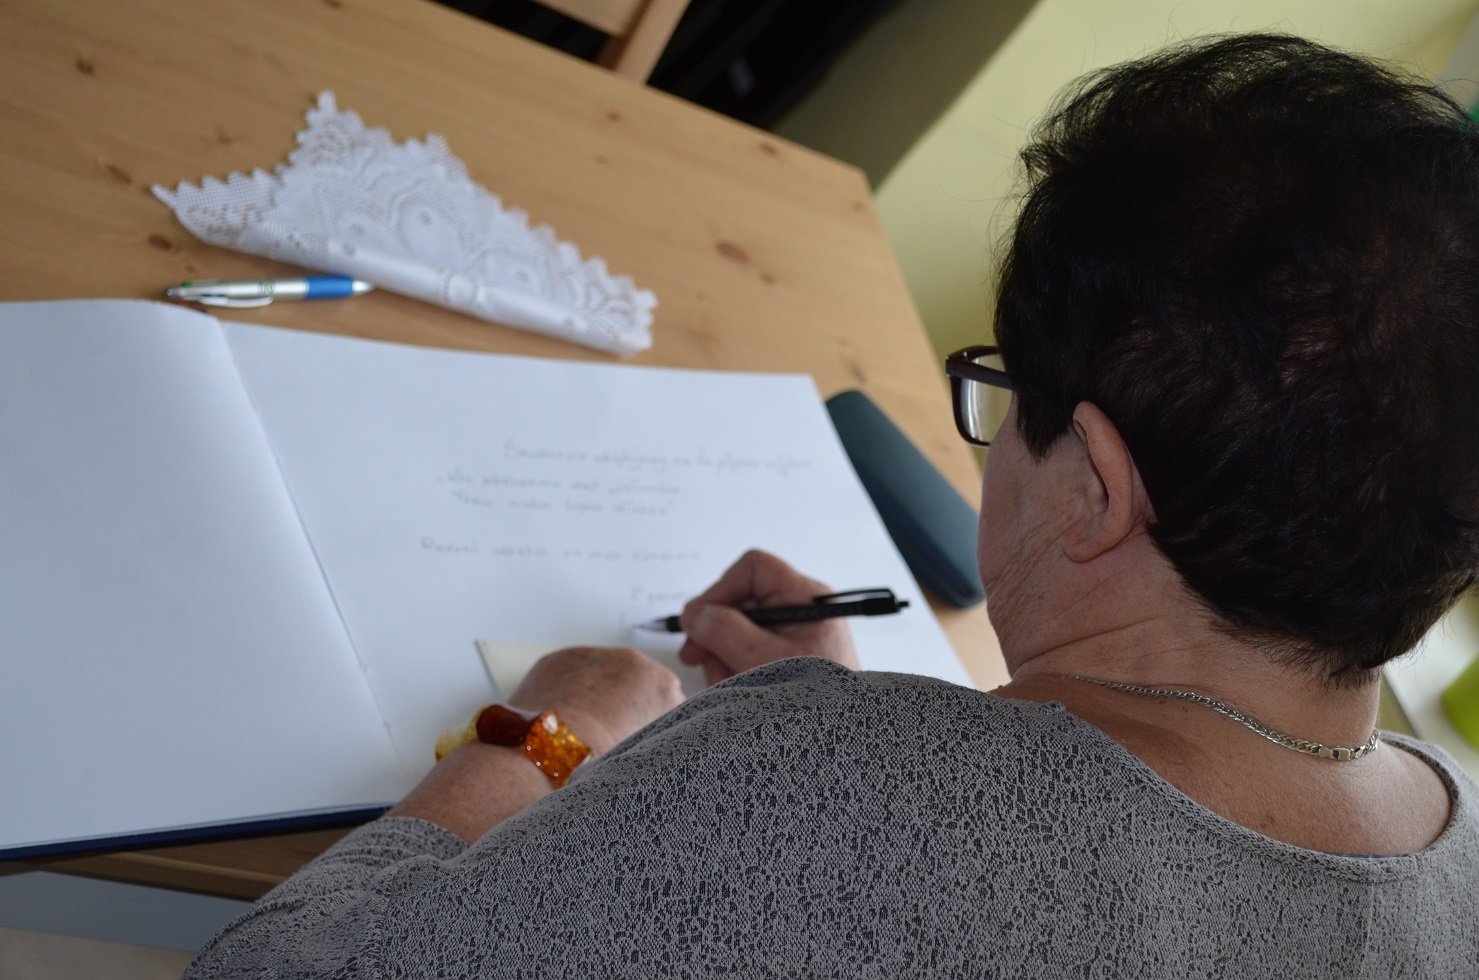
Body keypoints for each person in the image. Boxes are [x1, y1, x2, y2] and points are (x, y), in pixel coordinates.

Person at [186, 33, 1479, 978]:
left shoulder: (809, 788)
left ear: (1094, 485)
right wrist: (871, 747)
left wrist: (543, 738)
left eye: (1004, 393)